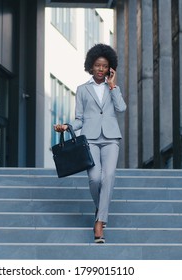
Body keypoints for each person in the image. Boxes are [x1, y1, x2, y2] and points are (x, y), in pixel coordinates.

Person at [53, 43, 127, 243]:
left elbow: (121, 108)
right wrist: (67, 126)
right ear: (91, 66)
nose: (101, 69)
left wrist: (113, 86)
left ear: (110, 68)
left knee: (108, 176)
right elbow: (80, 118)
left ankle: (99, 222)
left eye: (105, 66)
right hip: (91, 139)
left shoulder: (113, 88)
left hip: (111, 138)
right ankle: (100, 207)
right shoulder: (82, 89)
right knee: (95, 179)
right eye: (97, 65)